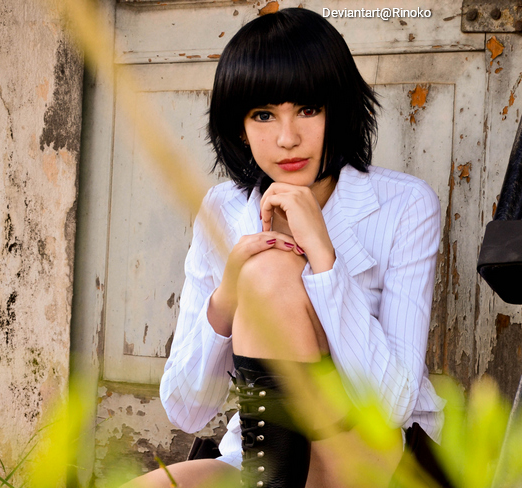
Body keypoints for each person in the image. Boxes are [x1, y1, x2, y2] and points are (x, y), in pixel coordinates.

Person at [125, 7, 447, 488]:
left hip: (372, 458)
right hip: (259, 461)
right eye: (263, 115)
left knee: (273, 270)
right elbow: (187, 409)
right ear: (239, 127)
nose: (288, 138)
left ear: (335, 110)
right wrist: (229, 296)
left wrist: (324, 259)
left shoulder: (404, 205)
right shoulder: (222, 209)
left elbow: (394, 405)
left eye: (308, 109)